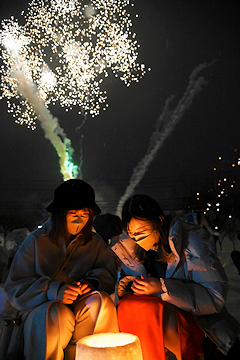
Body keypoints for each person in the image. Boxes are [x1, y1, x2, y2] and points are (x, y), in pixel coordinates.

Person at [112, 194, 240, 360]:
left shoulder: (190, 242)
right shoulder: (132, 251)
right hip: (158, 328)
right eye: (132, 234)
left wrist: (163, 287)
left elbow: (214, 298)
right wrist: (131, 286)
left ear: (159, 220)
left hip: (199, 326)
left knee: (153, 311)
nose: (138, 238)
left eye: (142, 231)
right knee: (128, 306)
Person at [4, 179, 119, 360]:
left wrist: (91, 283)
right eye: (73, 213)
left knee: (101, 303)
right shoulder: (35, 241)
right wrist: (54, 290)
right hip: (41, 309)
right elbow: (16, 286)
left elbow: (108, 273)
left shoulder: (95, 243)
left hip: (79, 305)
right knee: (56, 314)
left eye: (85, 213)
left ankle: (91, 355)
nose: (79, 219)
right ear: (59, 213)